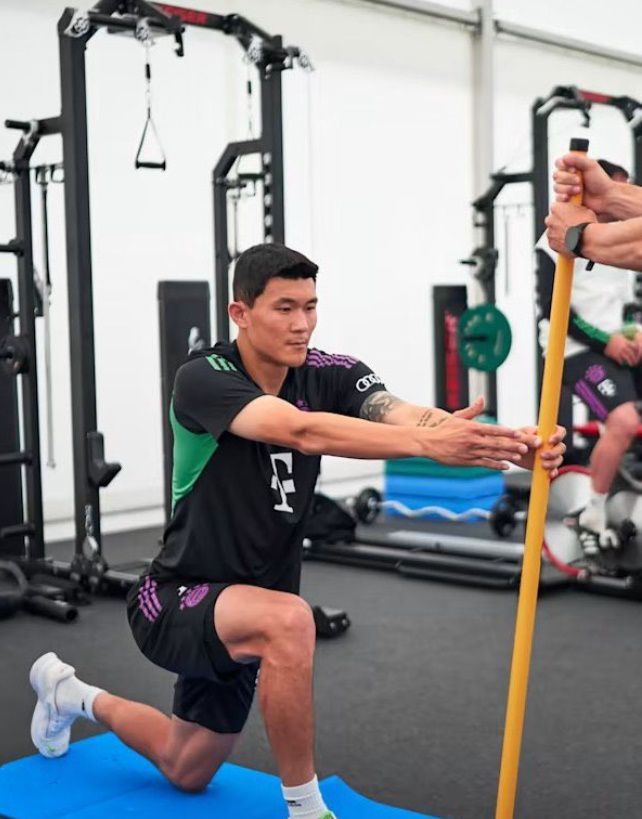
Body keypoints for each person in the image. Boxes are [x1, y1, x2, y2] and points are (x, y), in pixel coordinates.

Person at [29, 243, 565, 819]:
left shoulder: (331, 371)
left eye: (310, 306)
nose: (302, 324)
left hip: (251, 605)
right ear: (240, 314)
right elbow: (300, 431)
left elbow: (401, 412)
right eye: (284, 308)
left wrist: (504, 442)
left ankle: (70, 694)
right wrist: (428, 444)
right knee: (289, 621)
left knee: (186, 767)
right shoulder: (203, 378)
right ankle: (307, 809)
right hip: (175, 596)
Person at [537, 160, 642, 553]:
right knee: (624, 421)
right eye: (616, 193)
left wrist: (632, 334)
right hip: (576, 351)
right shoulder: (556, 240)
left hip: (617, 345)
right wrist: (607, 342)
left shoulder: (623, 238)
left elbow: (625, 305)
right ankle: (591, 512)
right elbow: (556, 313)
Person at [546, 152, 642, 270]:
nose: (628, 186)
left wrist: (582, 237)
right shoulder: (553, 238)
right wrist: (610, 197)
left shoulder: (560, 234)